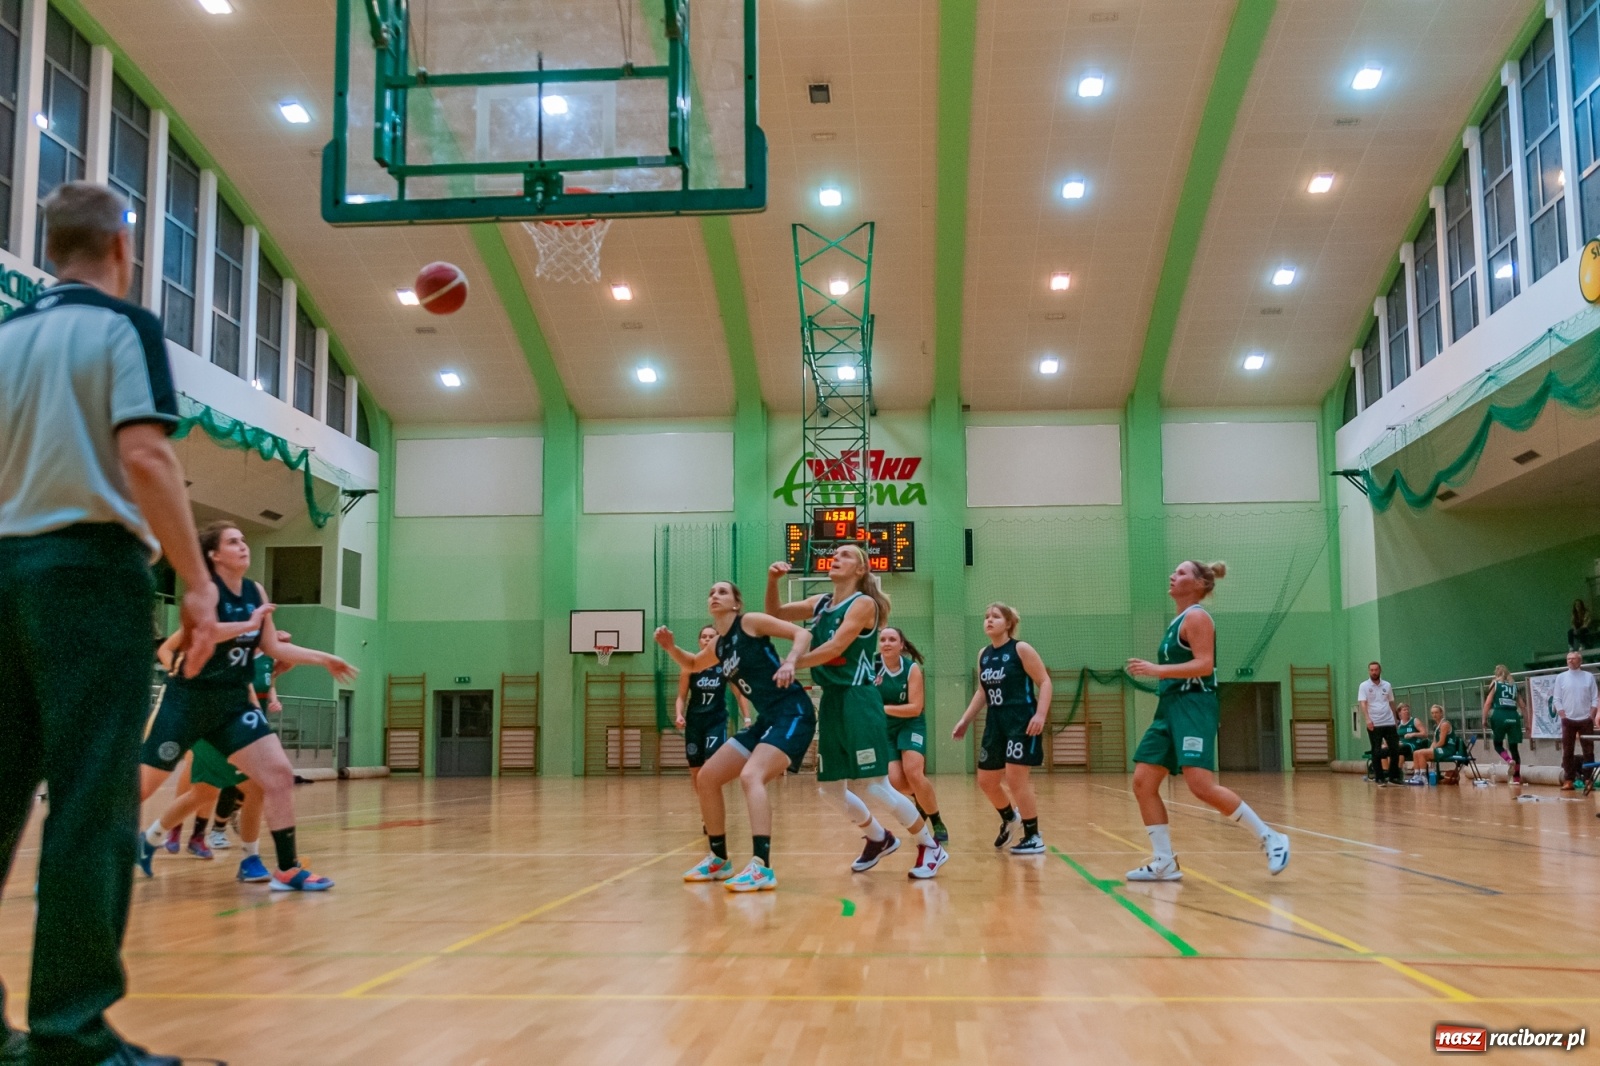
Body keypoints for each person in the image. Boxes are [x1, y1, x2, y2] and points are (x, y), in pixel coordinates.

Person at [0, 181, 220, 1066]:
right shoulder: (121, 328)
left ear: (50, 248)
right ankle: (71, 1036)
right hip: (86, 576)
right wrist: (196, 584)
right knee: (91, 803)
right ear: (122, 249)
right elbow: (144, 454)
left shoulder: (6, 333)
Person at [136, 522, 358, 890]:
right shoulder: (205, 590)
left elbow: (273, 646)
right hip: (188, 701)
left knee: (278, 774)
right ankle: (82, 858)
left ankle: (286, 869)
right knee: (140, 789)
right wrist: (248, 623)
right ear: (214, 554)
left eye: (243, 540)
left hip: (233, 702)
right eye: (233, 541)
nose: (243, 546)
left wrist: (323, 658)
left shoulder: (255, 591)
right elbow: (207, 633)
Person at [767, 547, 949, 880]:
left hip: (858, 698)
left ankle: (930, 846)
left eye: (846, 555)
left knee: (877, 787)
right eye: (835, 553)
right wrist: (772, 580)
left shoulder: (864, 604)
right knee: (830, 790)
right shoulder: (821, 603)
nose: (836, 557)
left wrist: (792, 661)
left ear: (861, 569)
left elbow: (835, 647)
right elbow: (776, 612)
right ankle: (879, 838)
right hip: (832, 699)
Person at [1124, 561, 1290, 881]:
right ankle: (1164, 862)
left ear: (1199, 584)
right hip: (1169, 706)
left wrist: (1157, 670)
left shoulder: (1197, 617)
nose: (1173, 576)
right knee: (1143, 782)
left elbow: (1204, 664)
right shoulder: (1177, 621)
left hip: (1193, 704)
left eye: (1181, 573)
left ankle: (1271, 838)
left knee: (1200, 785)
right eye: (1174, 572)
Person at [655, 581, 814, 891]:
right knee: (707, 778)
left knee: (751, 776)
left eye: (722, 592)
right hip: (767, 720)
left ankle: (762, 867)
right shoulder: (719, 646)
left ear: (736, 603)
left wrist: (791, 660)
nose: (715, 595)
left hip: (792, 712)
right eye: (711, 592)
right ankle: (718, 859)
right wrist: (670, 647)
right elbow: (692, 663)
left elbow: (802, 634)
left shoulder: (750, 622)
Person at [951, 604, 1051, 854]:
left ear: (1008, 623)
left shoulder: (1021, 649)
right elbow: (982, 692)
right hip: (995, 721)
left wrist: (1040, 714)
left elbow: (1044, 681)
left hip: (1021, 719)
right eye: (986, 617)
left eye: (995, 617)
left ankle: (1033, 836)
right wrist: (965, 720)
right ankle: (1009, 818)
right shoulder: (983, 654)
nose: (989, 620)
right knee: (986, 780)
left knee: (1016, 778)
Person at [876, 627, 947, 844]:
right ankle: (919, 797)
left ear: (901, 645)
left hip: (910, 724)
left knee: (914, 772)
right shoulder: (871, 666)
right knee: (895, 781)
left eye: (892, 639)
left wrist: (881, 708)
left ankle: (937, 821)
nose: (886, 643)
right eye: (883, 639)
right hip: (885, 728)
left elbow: (915, 708)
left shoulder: (911, 669)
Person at [673, 625, 752, 790]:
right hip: (694, 723)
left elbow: (740, 694)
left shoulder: (726, 665)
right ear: (699, 641)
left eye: (711, 637)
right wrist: (679, 714)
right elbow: (681, 696)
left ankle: (713, 799)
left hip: (715, 721)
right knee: (695, 770)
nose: (707, 639)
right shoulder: (689, 666)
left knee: (711, 766)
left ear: (718, 641)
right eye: (704, 636)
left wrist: (747, 718)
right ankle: (705, 803)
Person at [1552, 651, 1600, 792]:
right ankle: (1569, 780)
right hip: (1568, 720)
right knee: (1567, 751)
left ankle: (1588, 779)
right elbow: (1556, 698)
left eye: (1573, 659)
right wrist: (1562, 714)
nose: (1570, 661)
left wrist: (1591, 714)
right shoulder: (1561, 677)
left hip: (1585, 719)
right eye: (1568, 659)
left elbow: (1595, 697)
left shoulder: (1588, 676)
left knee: (1588, 751)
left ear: (1580, 661)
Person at [1481, 665, 1527, 785]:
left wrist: (1484, 719)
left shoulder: (1495, 684)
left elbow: (1488, 703)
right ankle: (1516, 778)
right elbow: (1522, 705)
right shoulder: (1514, 686)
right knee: (1514, 748)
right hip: (1513, 716)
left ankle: (1508, 760)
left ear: (1496, 674)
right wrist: (1527, 722)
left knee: (1497, 744)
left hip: (1499, 715)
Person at [1359, 661, 1402, 786]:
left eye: (1376, 670)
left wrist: (1395, 719)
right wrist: (1367, 719)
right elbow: (1363, 703)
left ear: (1380, 670)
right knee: (1376, 750)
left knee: (1395, 749)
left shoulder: (1387, 685)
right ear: (1369, 671)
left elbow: (1391, 702)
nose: (1374, 672)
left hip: (1389, 721)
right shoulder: (1364, 686)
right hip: (1374, 723)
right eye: (1371, 670)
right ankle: (1379, 777)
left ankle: (1393, 777)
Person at [1408, 705, 1462, 784]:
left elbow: (1441, 742)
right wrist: (1429, 749)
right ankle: (1416, 775)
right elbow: (1434, 742)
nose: (1434, 715)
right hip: (1441, 748)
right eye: (1432, 713)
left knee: (1422, 753)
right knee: (1416, 753)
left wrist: (1431, 750)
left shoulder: (1444, 724)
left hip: (1447, 749)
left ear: (1441, 713)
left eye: (1436, 712)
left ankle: (1423, 777)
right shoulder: (1436, 726)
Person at [1396, 704, 1428, 779]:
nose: (1407, 711)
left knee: (1401, 749)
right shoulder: (1398, 724)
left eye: (1408, 709)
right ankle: (1387, 772)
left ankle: (1398, 772)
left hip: (1413, 744)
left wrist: (1413, 734)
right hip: (1401, 744)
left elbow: (1425, 734)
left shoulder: (1414, 721)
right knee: (1386, 749)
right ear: (1399, 713)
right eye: (1404, 710)